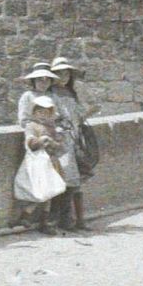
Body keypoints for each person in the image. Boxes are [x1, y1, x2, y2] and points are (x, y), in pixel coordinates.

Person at [11, 93, 71, 234]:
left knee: (50, 191)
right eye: (39, 112)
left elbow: (61, 147)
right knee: (38, 189)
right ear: (34, 112)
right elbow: (30, 143)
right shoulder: (32, 126)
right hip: (37, 162)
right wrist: (40, 140)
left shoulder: (52, 128)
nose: (42, 115)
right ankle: (26, 214)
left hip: (51, 163)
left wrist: (54, 142)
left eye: (46, 112)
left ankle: (44, 220)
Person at [48, 55, 93, 231]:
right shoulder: (50, 95)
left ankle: (73, 219)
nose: (63, 77)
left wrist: (87, 114)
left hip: (73, 140)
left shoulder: (71, 94)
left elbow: (78, 114)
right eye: (59, 73)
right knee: (64, 179)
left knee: (75, 180)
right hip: (59, 141)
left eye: (66, 73)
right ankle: (60, 219)